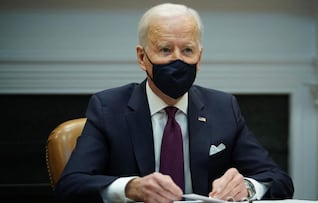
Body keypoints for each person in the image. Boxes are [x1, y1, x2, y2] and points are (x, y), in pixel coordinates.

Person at [55, 3, 294, 203]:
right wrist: (131, 188)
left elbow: (278, 179)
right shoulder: (108, 107)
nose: (177, 60)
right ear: (142, 57)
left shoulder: (223, 107)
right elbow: (70, 185)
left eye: (187, 50)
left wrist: (247, 187)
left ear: (199, 58)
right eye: (165, 49)